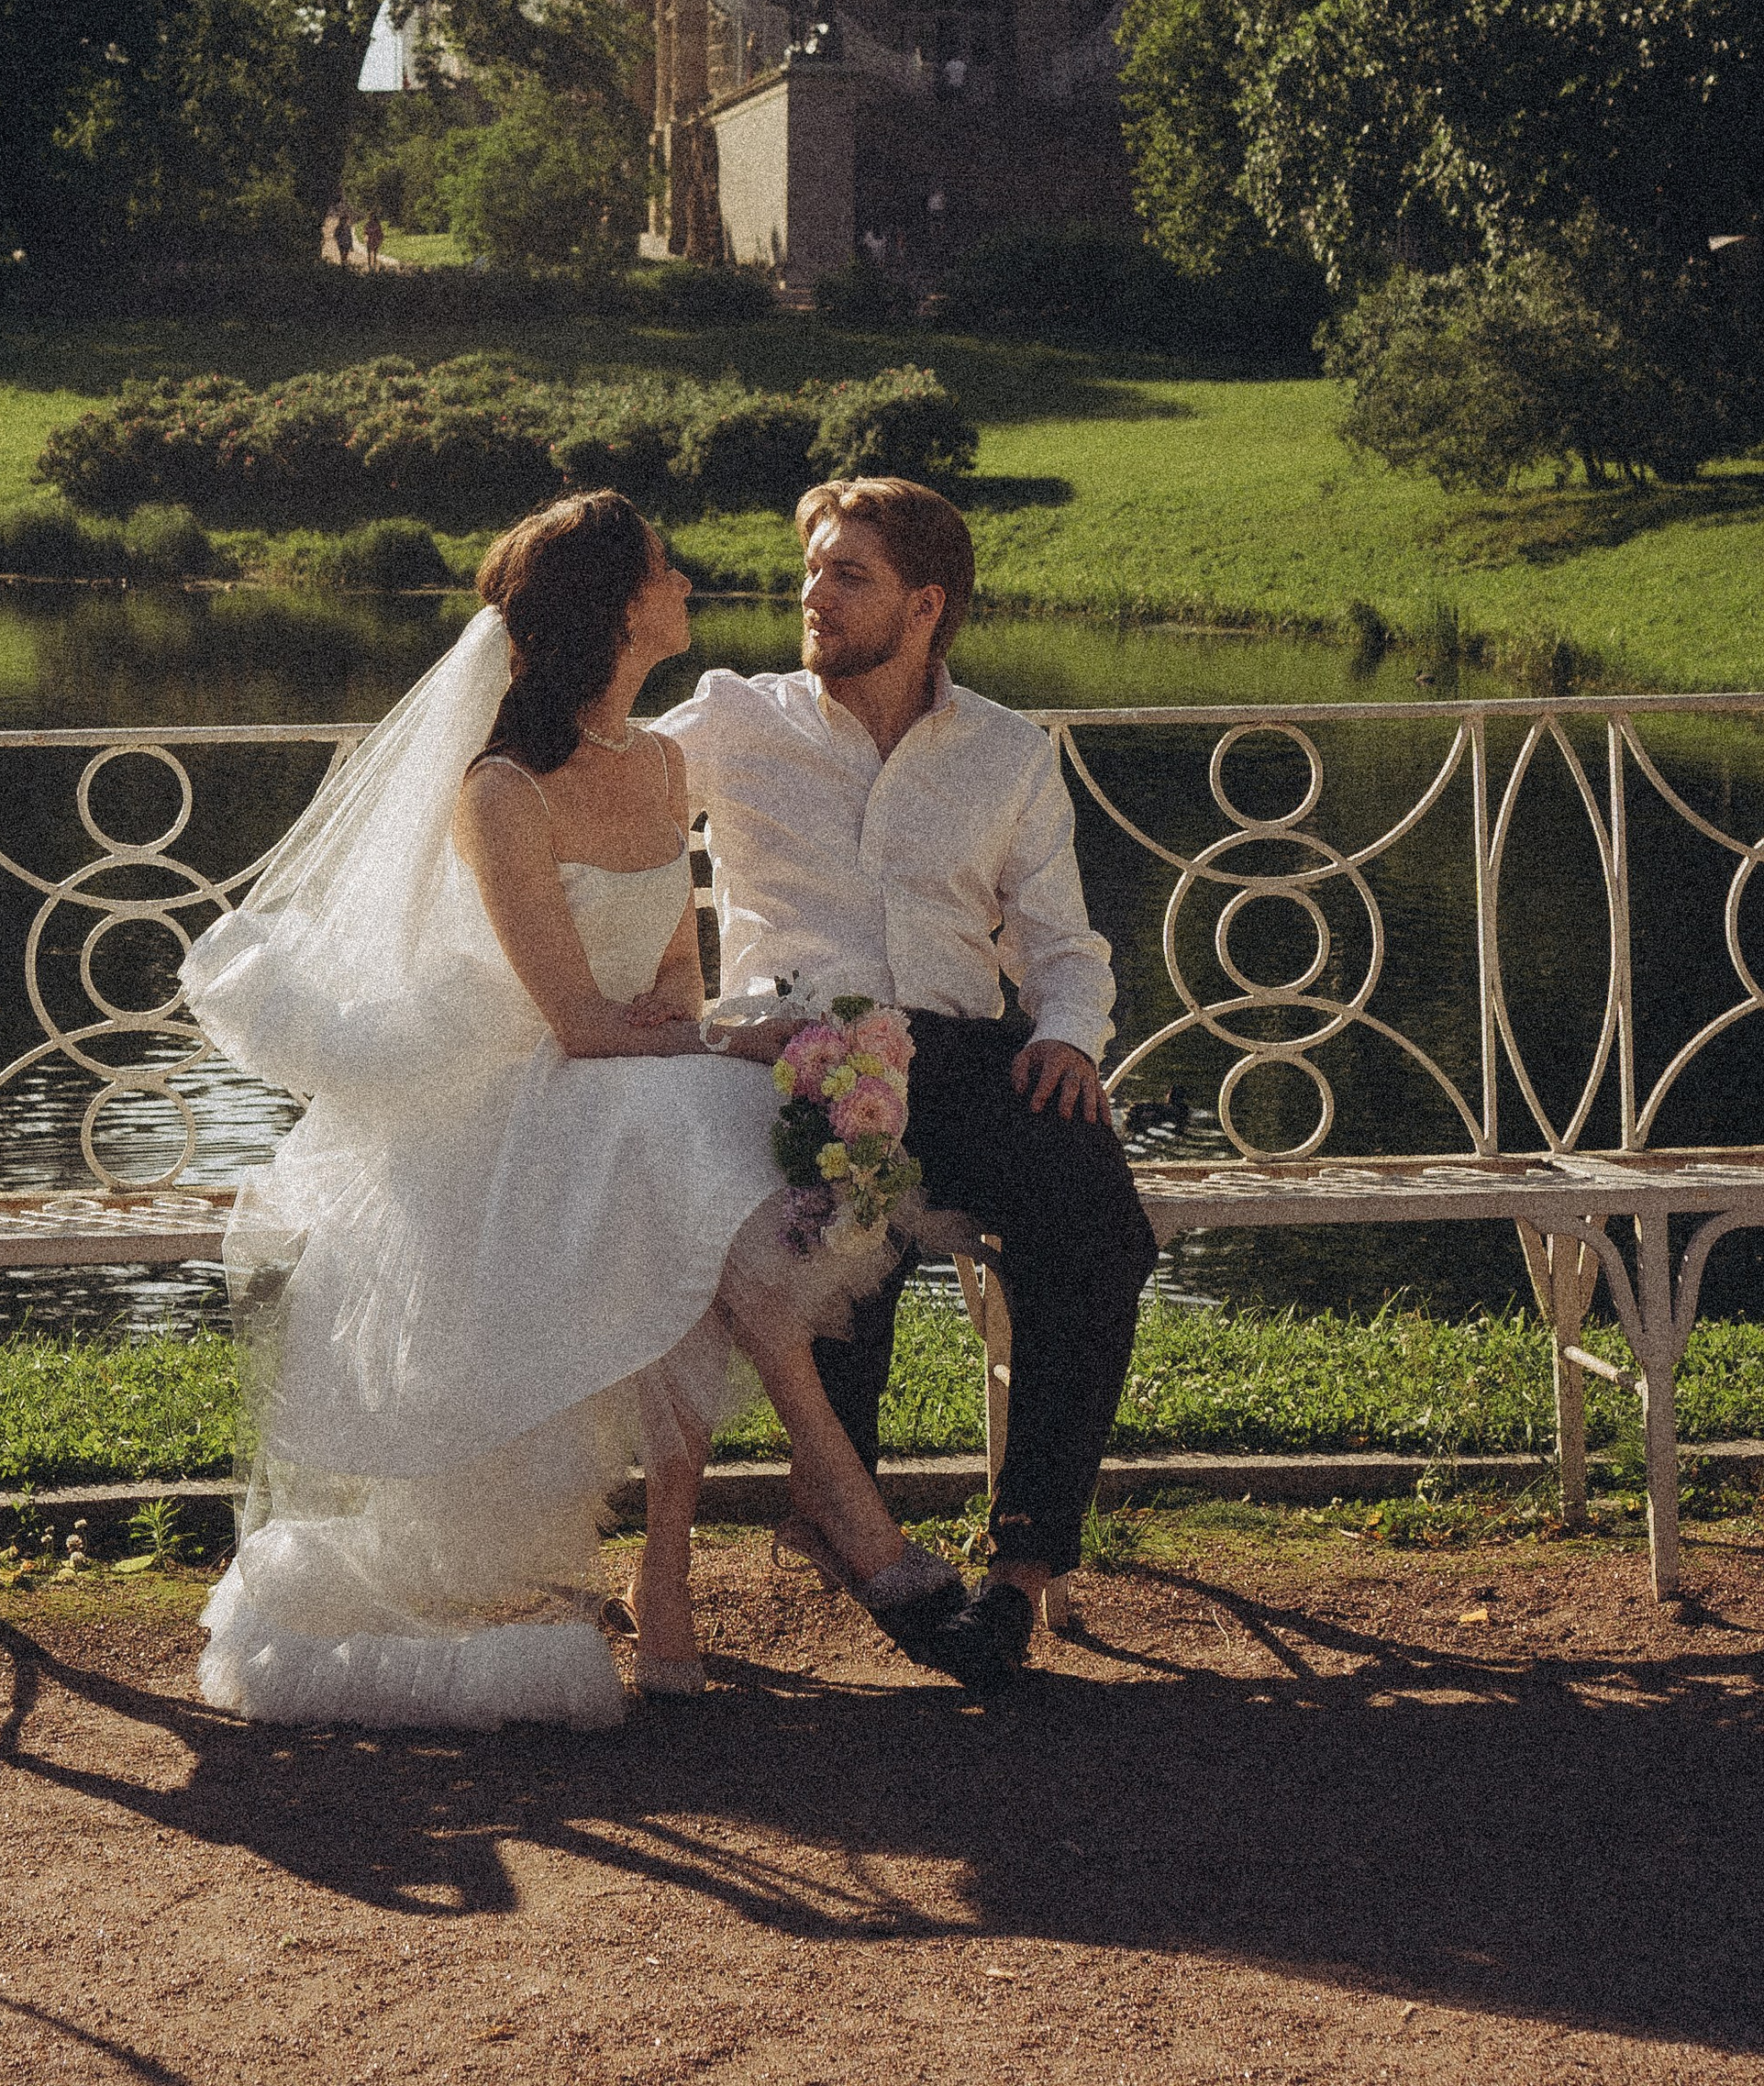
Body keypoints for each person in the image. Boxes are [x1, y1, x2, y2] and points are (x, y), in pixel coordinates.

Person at [178, 491, 961, 1731]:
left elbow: (668, 989)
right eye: (666, 569)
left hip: (624, 1085)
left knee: (712, 1145)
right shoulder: (500, 790)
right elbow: (576, 1023)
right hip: (502, 1104)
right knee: (694, 1148)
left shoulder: (660, 764)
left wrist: (728, 1035)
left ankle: (686, 1569)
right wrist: (719, 1038)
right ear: (616, 611)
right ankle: (839, 1526)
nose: (688, 584)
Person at [654, 477, 1158, 1684]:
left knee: (1095, 1217)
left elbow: (1064, 944)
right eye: (811, 570)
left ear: (927, 604)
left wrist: (1069, 1039)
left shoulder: (1008, 752)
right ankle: (848, 1510)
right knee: (836, 1193)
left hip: (964, 1054)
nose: (812, 599)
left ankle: (1021, 1566)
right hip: (789, 1055)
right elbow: (602, 809)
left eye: (848, 576)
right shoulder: (735, 718)